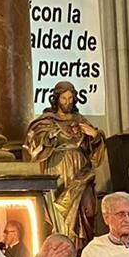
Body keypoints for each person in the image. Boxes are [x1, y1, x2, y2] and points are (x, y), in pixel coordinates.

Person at [25, 81, 106, 247]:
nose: (68, 102)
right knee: (61, 211)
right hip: (58, 168)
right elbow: (34, 143)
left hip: (81, 172)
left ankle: (81, 248)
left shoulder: (81, 120)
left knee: (86, 210)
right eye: (64, 98)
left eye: (70, 98)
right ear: (56, 99)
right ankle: (61, 245)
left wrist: (95, 135)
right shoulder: (46, 121)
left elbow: (94, 150)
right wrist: (49, 136)